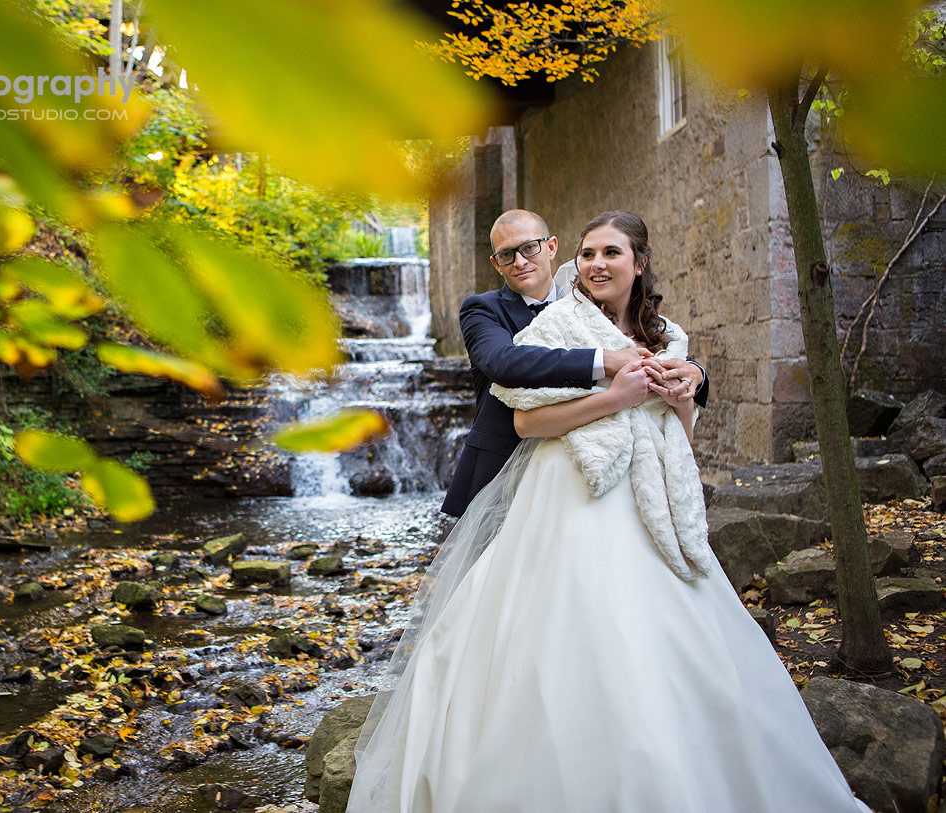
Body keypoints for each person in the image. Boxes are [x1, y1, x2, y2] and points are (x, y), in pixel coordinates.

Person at [347, 211, 869, 812]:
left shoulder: (668, 334)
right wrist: (612, 388)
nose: (596, 264)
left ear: (636, 262)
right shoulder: (536, 318)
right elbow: (517, 398)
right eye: (590, 254)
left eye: (611, 253)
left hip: (648, 497)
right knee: (541, 626)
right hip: (565, 488)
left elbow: (680, 434)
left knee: (670, 635)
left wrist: (686, 389)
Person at [440, 209, 706, 518]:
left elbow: (637, 341)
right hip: (507, 464)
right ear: (496, 263)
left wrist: (696, 372)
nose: (520, 261)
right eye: (506, 255)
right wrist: (604, 362)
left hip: (601, 466)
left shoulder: (591, 299)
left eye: (529, 248)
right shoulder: (482, 309)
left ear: (551, 247)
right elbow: (503, 362)